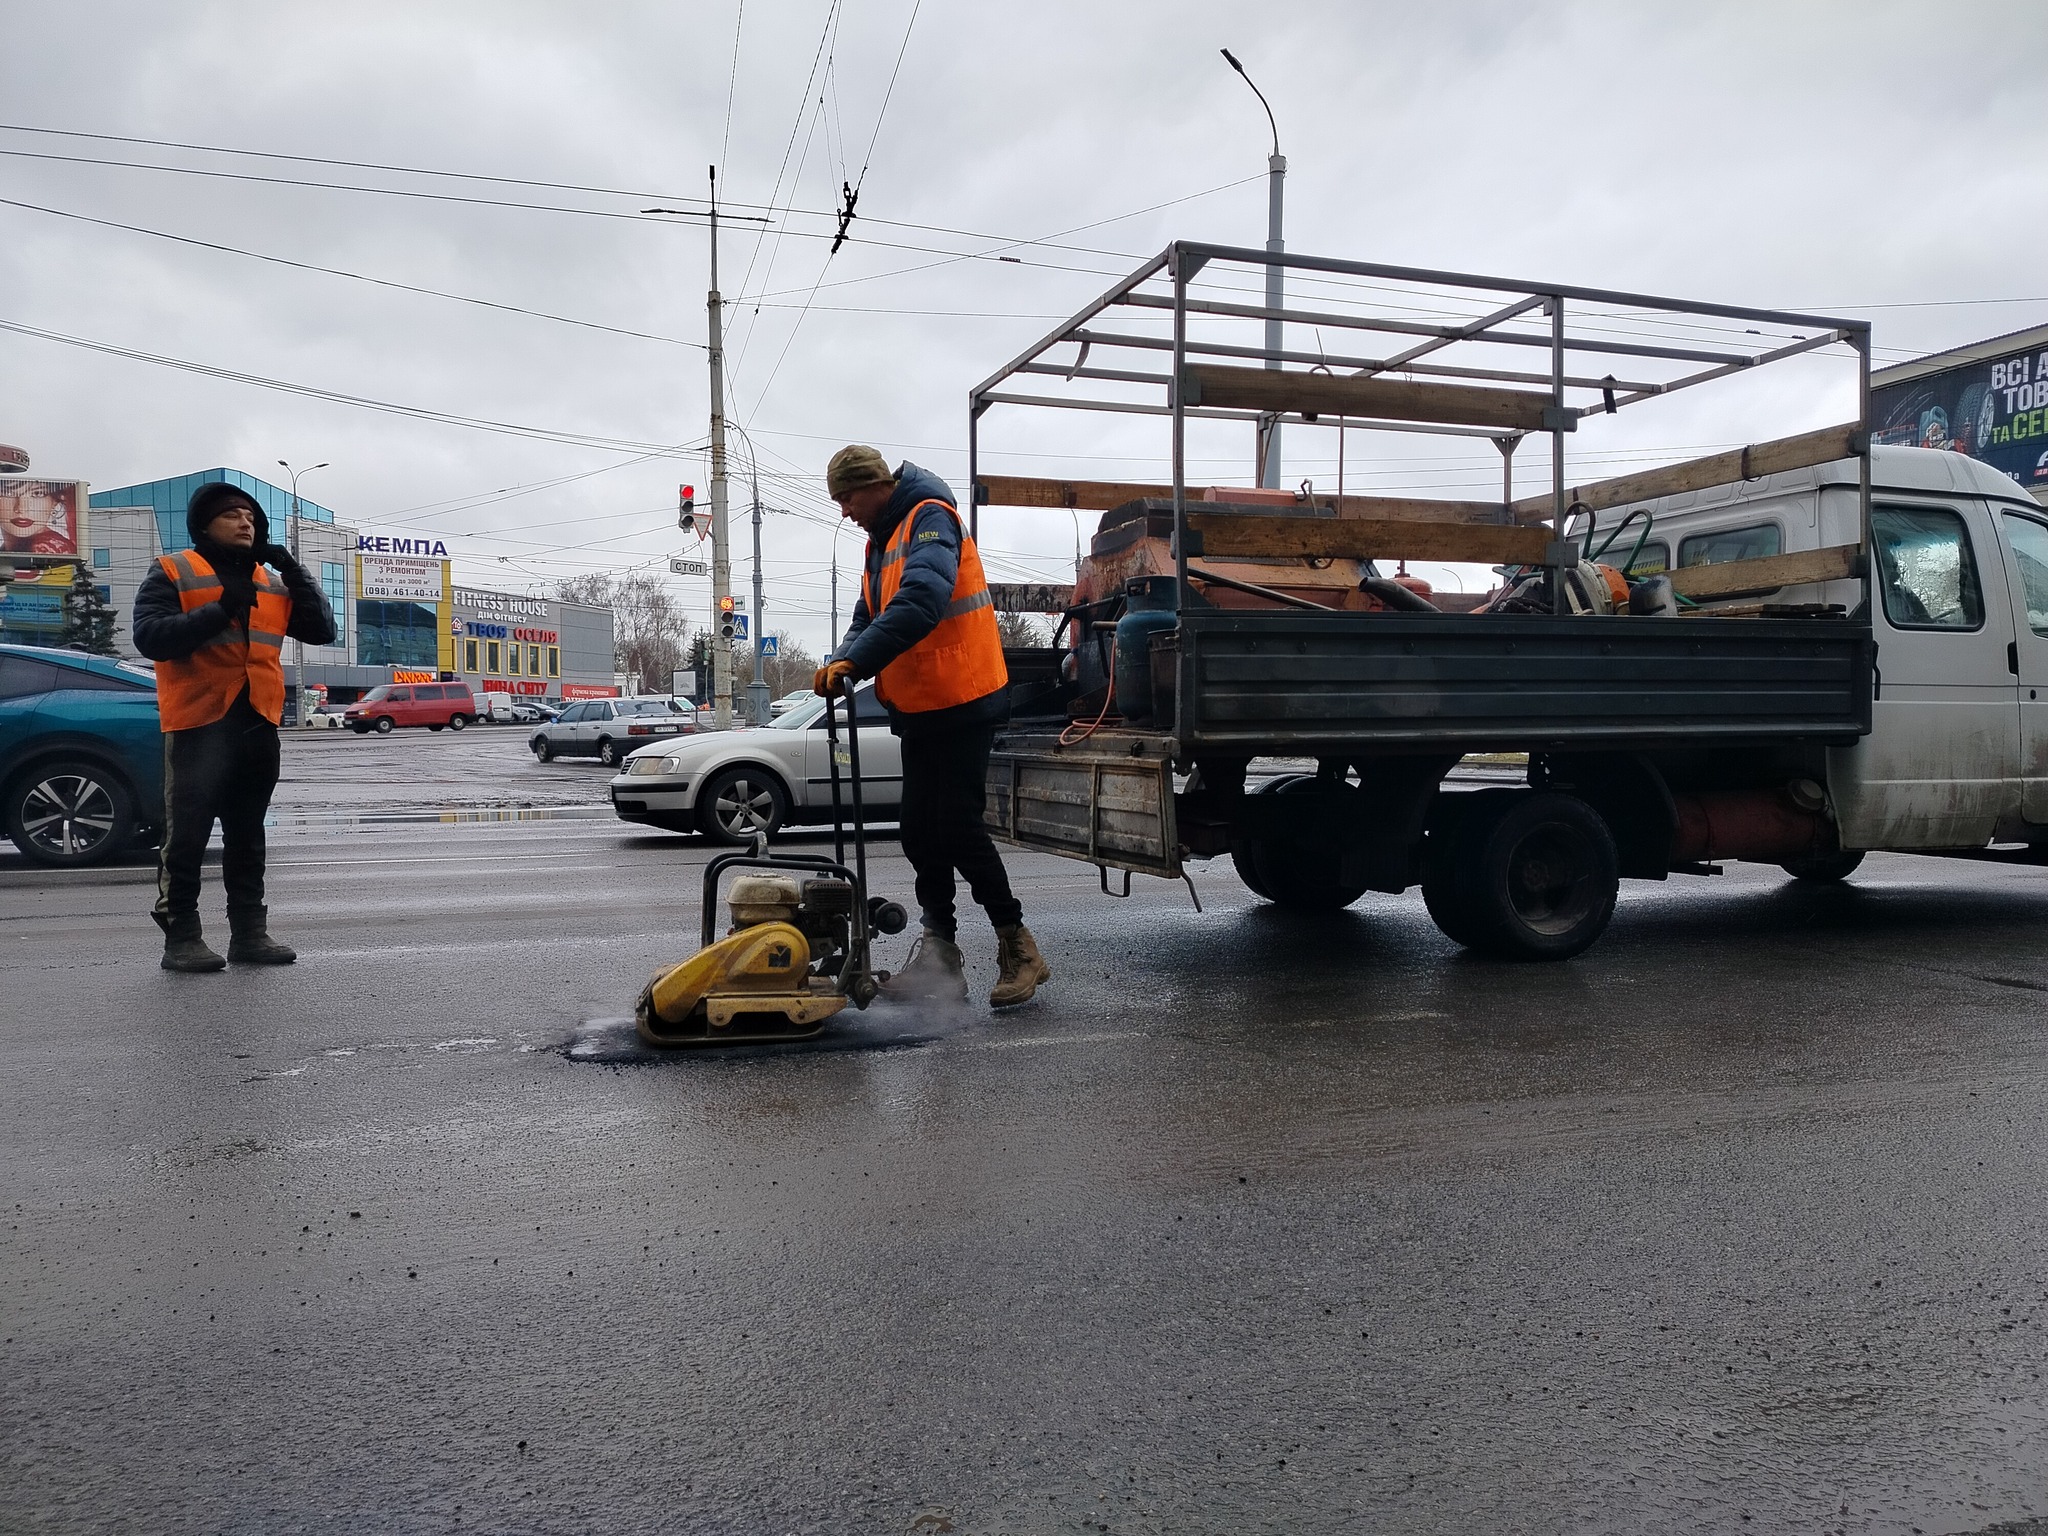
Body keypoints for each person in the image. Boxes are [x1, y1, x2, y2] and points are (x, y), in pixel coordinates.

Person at [816, 444, 1050, 1009]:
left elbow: (923, 598)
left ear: (874, 484)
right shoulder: (881, 539)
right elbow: (868, 614)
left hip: (963, 696)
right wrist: (842, 659)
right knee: (919, 828)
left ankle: (1019, 947)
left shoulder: (929, 518)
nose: (845, 510)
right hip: (920, 705)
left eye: (847, 497)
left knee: (957, 825)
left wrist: (860, 661)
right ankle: (939, 953)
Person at [132, 483, 336, 972]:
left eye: (250, 515)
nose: (245, 522)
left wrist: (293, 570)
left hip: (256, 724)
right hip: (199, 722)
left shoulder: (270, 581)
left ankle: (249, 934)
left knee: (247, 836)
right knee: (187, 837)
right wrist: (222, 607)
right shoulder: (174, 570)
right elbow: (151, 638)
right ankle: (181, 935)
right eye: (231, 515)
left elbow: (324, 630)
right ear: (205, 525)